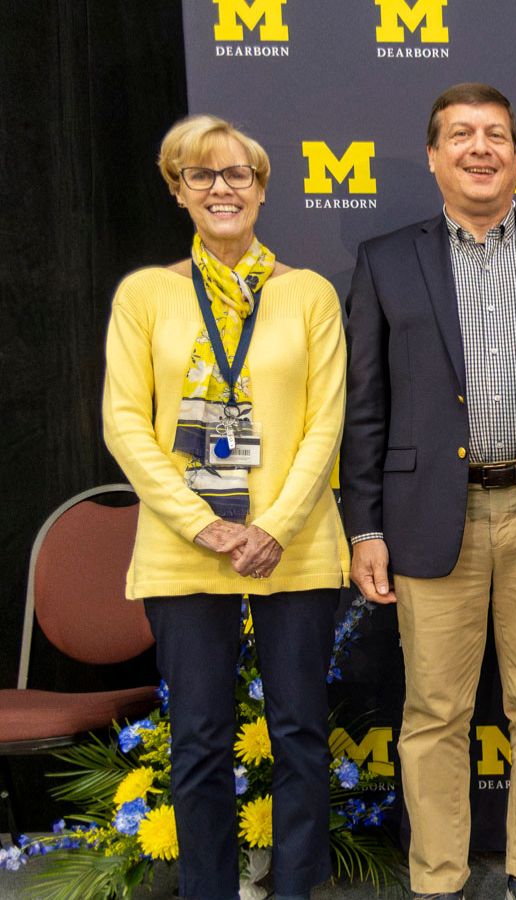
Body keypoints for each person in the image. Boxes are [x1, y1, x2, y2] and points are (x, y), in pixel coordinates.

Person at [341, 83, 516, 900]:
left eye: (496, 134)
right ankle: (439, 879)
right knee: (433, 713)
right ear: (433, 155)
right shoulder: (385, 260)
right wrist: (363, 526)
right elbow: (366, 407)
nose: (480, 147)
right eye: (461, 134)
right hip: (431, 513)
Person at [102, 114, 347, 900]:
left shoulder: (307, 295)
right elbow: (123, 423)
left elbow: (326, 423)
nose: (221, 189)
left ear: (262, 188)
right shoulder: (146, 294)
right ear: (178, 190)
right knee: (201, 741)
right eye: (201, 176)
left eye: (237, 174)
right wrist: (205, 524)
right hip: (185, 551)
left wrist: (270, 527)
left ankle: (295, 889)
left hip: (297, 545)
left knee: (302, 738)